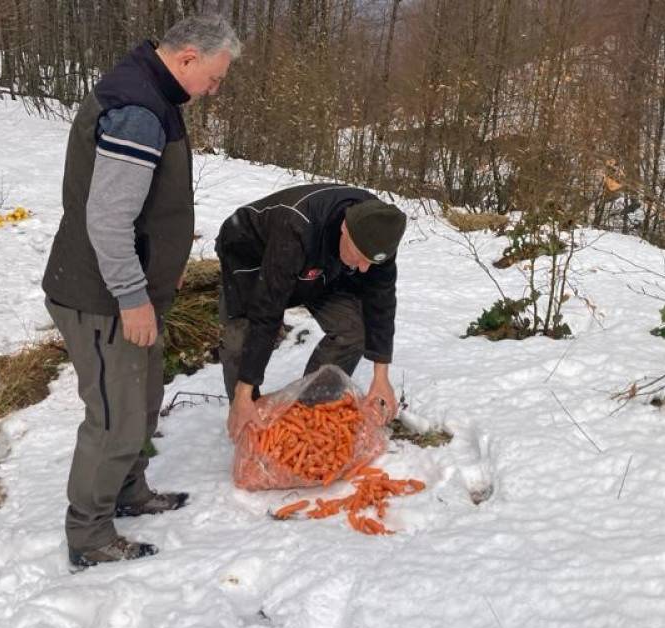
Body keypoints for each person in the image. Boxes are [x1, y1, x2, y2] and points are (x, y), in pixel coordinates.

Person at [41, 14, 240, 570]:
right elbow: (107, 220)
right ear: (186, 60)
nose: (214, 89)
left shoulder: (150, 91)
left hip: (130, 290)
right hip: (101, 297)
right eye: (215, 77)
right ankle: (88, 534)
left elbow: (144, 207)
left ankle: (129, 491)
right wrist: (132, 296)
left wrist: (163, 267)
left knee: (142, 401)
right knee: (114, 417)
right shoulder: (138, 111)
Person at [214, 183, 407, 438]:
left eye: (370, 262)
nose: (363, 269)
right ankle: (247, 416)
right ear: (344, 229)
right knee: (241, 339)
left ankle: (306, 411)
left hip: (324, 265)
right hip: (254, 256)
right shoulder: (296, 226)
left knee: (354, 330)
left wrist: (381, 375)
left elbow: (381, 301)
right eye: (359, 257)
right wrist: (244, 390)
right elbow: (267, 311)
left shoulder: (379, 233)